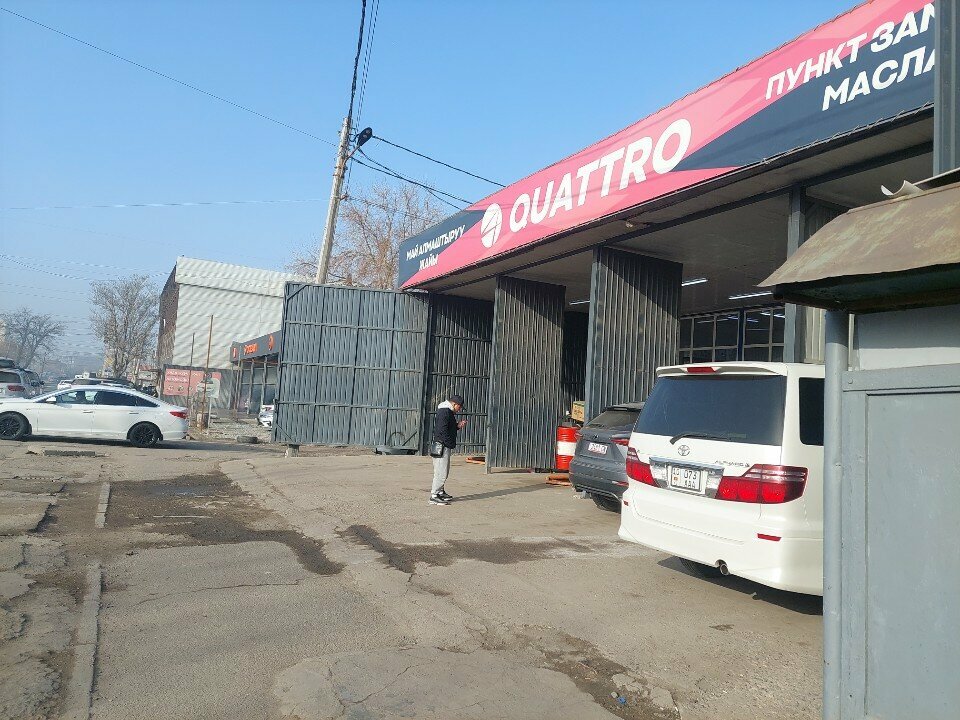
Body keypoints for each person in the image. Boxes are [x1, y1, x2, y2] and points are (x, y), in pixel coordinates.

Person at [430, 393, 466, 505]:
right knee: (441, 472)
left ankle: (440, 492)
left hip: (443, 445)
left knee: (442, 471)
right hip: (442, 446)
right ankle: (434, 495)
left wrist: (457, 426)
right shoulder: (445, 411)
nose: (459, 409)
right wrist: (449, 443)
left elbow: (447, 428)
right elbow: (442, 430)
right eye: (459, 407)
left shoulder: (447, 411)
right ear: (454, 404)